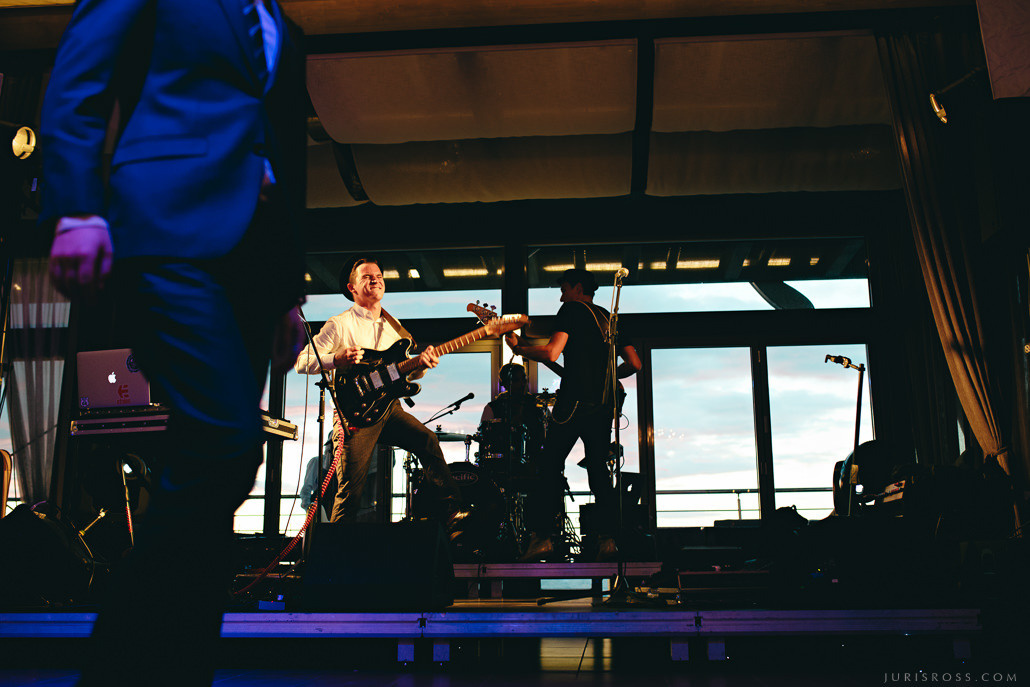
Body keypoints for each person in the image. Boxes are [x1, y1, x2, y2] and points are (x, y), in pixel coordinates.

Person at [40, 1, 307, 685]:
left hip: (253, 260)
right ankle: (117, 670)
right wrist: (76, 206)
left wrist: (287, 291)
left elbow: (282, 146)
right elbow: (81, 73)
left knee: (220, 473)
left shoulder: (281, 19)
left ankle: (172, 669)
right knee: (224, 443)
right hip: (166, 228)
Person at [294, 258, 466, 525]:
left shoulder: (394, 328)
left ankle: (452, 511)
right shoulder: (339, 324)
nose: (375, 279)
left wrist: (421, 365)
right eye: (366, 276)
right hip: (354, 415)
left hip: (389, 408)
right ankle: (336, 548)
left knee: (427, 441)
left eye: (379, 275)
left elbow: (404, 375)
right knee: (350, 493)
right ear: (352, 287)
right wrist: (336, 359)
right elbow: (302, 362)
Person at [505, 269, 641, 561]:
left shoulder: (571, 310)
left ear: (578, 289)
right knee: (599, 471)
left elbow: (552, 353)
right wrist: (607, 377)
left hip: (573, 404)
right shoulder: (610, 318)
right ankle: (608, 541)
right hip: (602, 406)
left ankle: (542, 538)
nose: (561, 297)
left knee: (549, 466)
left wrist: (518, 347)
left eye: (564, 289)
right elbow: (635, 363)